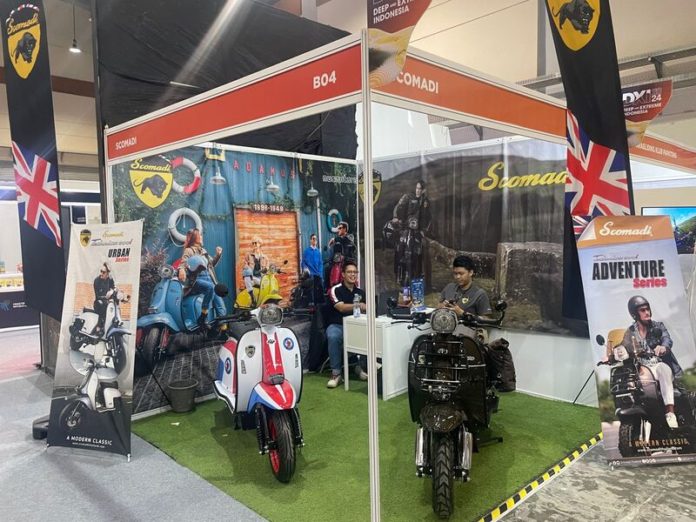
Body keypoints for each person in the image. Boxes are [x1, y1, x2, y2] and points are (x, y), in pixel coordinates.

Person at [620, 295, 683, 429]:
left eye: (647, 309)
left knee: (663, 370)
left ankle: (670, 412)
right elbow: (623, 346)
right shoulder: (631, 331)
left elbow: (667, 339)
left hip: (658, 364)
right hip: (642, 369)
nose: (647, 312)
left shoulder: (658, 326)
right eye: (642, 310)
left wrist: (663, 347)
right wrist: (611, 355)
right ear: (635, 314)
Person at [325, 261, 367, 388]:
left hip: (356, 325)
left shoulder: (361, 292)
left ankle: (360, 367)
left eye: (355, 272)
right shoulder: (335, 290)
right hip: (338, 325)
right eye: (349, 272)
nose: (353, 274)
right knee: (333, 336)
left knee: (369, 333)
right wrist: (358, 305)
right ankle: (336, 374)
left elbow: (367, 308)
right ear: (343, 274)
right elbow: (341, 307)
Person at [178, 228, 226, 328]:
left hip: (209, 279)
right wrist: (181, 269)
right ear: (194, 237)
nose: (201, 237)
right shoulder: (189, 250)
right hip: (197, 280)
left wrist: (218, 255)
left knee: (220, 305)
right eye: (199, 235)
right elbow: (183, 263)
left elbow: (211, 264)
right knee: (210, 287)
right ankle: (203, 316)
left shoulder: (204, 251)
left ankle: (223, 330)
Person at [391, 179, 432, 286]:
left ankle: (420, 278)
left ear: (424, 190)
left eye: (420, 189)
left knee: (420, 253)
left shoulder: (425, 201)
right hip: (405, 228)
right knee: (400, 249)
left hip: (418, 231)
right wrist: (396, 217)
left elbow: (428, 217)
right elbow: (398, 207)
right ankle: (399, 274)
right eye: (417, 188)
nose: (418, 190)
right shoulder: (408, 197)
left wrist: (424, 230)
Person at [327, 221, 356, 288]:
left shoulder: (350, 237)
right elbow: (334, 254)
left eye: (340, 228)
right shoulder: (338, 241)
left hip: (348, 265)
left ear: (345, 229)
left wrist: (334, 239)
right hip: (339, 264)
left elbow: (346, 240)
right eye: (338, 228)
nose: (338, 230)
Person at [242, 236, 270, 305]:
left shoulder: (265, 257)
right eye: (253, 243)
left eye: (255, 243)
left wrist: (266, 269)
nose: (254, 245)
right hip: (252, 278)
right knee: (246, 275)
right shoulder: (248, 255)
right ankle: (252, 298)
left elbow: (268, 268)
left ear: (260, 244)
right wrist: (246, 267)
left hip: (261, 279)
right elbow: (244, 265)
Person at [301, 233, 324, 305]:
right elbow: (303, 263)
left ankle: (320, 305)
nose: (315, 240)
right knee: (312, 291)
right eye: (313, 239)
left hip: (318, 274)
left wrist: (320, 273)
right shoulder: (307, 251)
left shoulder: (318, 252)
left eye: (316, 239)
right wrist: (306, 269)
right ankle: (312, 305)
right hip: (311, 275)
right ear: (310, 240)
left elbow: (320, 263)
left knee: (320, 290)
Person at [93, 262, 115, 333]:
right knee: (101, 304)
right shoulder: (97, 281)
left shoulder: (110, 279)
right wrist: (106, 297)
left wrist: (112, 291)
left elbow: (113, 288)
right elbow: (97, 296)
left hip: (108, 302)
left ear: (107, 273)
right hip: (99, 302)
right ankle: (98, 326)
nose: (101, 273)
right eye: (101, 271)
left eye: (103, 272)